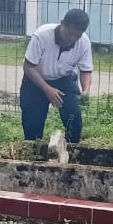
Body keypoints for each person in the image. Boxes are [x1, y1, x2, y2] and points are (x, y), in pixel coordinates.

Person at [21, 8, 94, 145]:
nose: (72, 39)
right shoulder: (42, 35)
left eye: (77, 35)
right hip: (35, 80)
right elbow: (28, 67)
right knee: (33, 124)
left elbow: (85, 70)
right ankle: (33, 151)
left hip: (64, 80)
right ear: (62, 24)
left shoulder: (84, 42)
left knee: (74, 117)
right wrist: (47, 89)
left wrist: (86, 90)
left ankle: (72, 150)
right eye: (69, 33)